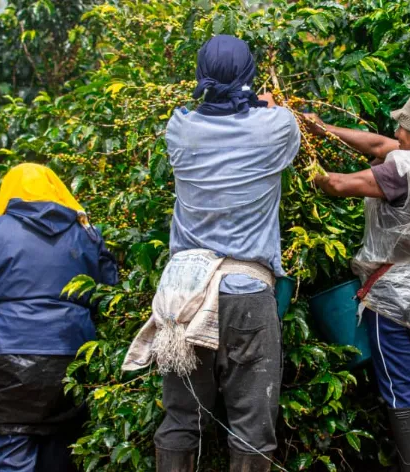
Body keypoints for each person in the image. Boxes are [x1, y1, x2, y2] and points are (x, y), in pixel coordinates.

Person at [121, 35, 300, 472]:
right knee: (253, 426)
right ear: (250, 76)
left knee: (182, 417)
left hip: (184, 293)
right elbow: (281, 124)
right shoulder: (276, 127)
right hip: (246, 289)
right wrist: (267, 103)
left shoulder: (180, 126)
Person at [305, 90, 410, 472]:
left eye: (402, 124)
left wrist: (293, 157)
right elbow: (381, 144)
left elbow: (338, 185)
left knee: (402, 390)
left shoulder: (404, 169)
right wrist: (320, 127)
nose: (396, 130)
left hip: (393, 295)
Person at [0, 163, 119, 472]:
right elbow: (107, 290)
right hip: (72, 351)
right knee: (61, 449)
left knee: (9, 449)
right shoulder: (84, 233)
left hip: (6, 352)